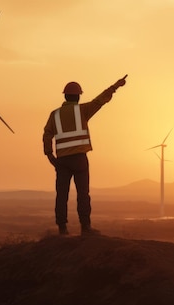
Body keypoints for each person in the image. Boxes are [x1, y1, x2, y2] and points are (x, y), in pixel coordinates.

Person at [43, 75, 127, 236]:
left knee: (62, 195)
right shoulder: (82, 110)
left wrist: (49, 154)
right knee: (83, 194)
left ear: (65, 96)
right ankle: (85, 227)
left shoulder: (55, 115)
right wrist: (116, 86)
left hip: (61, 161)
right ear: (78, 96)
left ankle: (62, 228)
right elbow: (100, 100)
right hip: (79, 159)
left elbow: (47, 134)